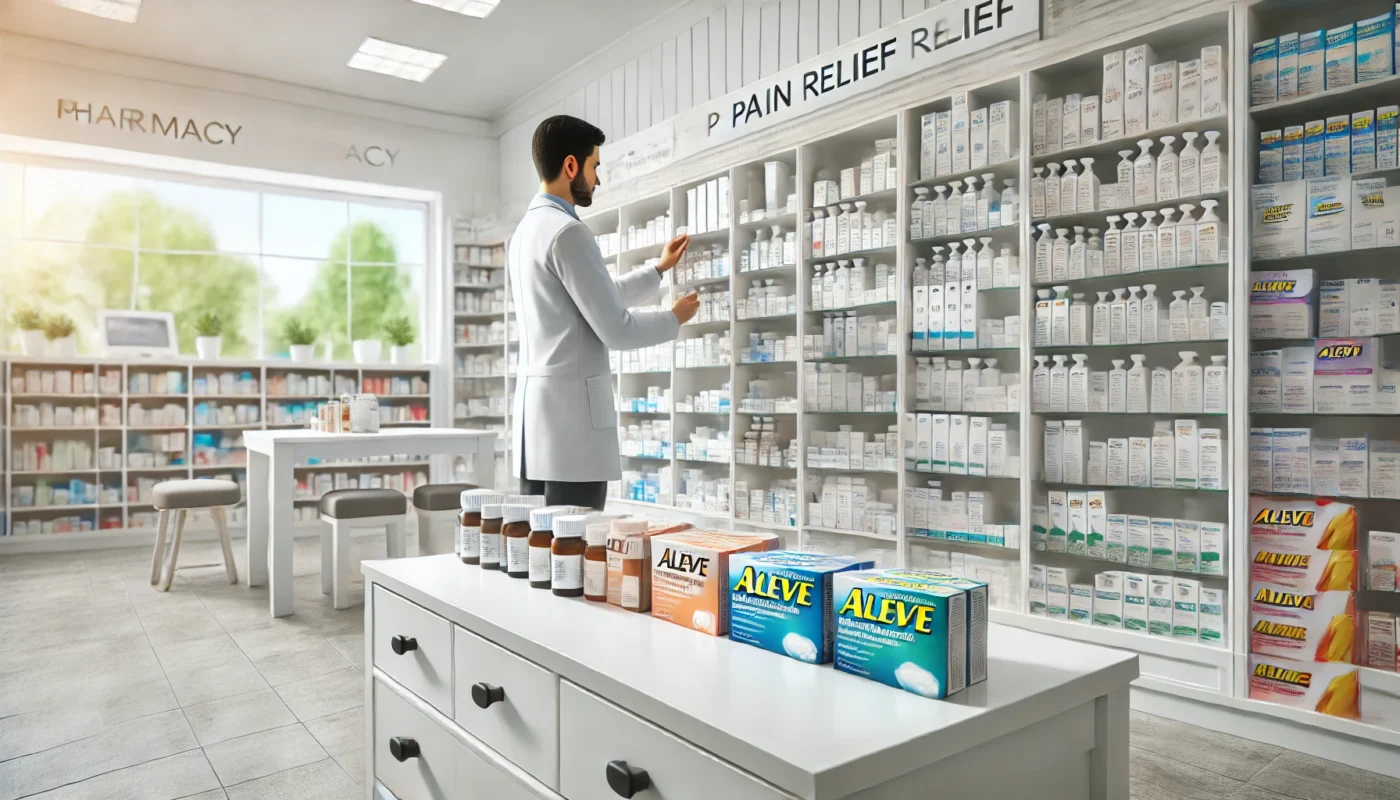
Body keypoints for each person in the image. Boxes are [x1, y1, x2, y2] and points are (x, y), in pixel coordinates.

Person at [508, 115, 699, 509]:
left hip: (538, 428)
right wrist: (673, 319)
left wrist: (658, 270)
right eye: (595, 166)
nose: (598, 179)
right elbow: (615, 327)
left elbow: (596, 298)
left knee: (542, 553)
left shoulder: (526, 231)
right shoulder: (568, 232)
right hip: (573, 433)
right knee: (574, 554)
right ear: (571, 166)